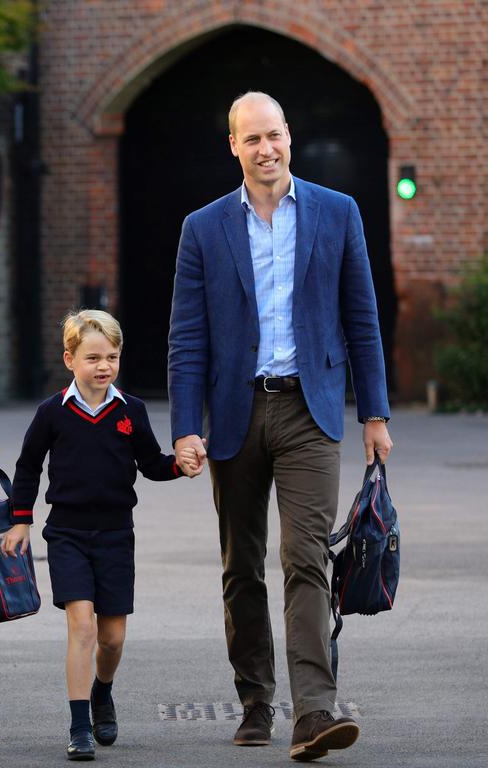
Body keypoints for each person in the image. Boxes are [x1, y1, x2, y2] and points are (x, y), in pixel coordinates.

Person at [167, 91, 394, 762]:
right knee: (242, 568)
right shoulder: (203, 228)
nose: (265, 149)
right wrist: (185, 426)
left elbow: (363, 317)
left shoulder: (337, 211)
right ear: (233, 147)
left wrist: (374, 413)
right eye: (251, 139)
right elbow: (187, 338)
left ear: (289, 137)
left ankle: (315, 713)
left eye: (274, 136)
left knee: (306, 560)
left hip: (310, 409)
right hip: (234, 413)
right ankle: (256, 701)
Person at [2, 309, 190, 761]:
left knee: (112, 638)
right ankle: (79, 724)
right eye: (92, 358)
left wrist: (178, 466)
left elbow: (150, 463)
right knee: (81, 625)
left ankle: (102, 690)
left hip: (114, 535)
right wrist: (21, 518)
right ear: (69, 359)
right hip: (65, 533)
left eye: (111, 356)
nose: (103, 366)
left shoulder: (131, 412)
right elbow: (27, 467)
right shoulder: (52, 413)